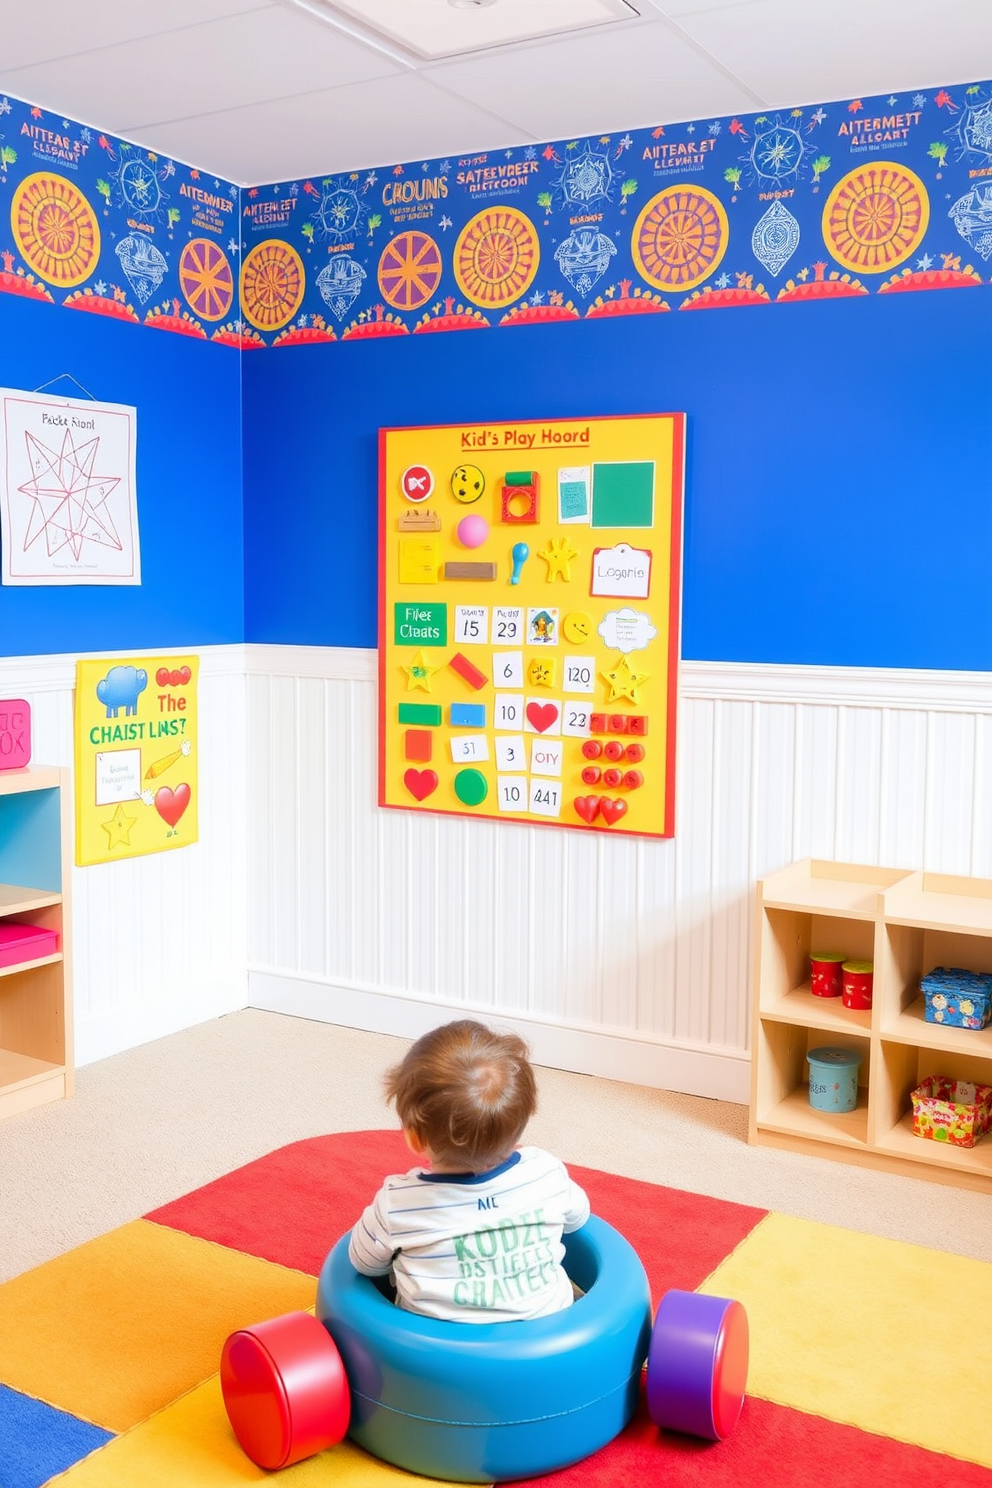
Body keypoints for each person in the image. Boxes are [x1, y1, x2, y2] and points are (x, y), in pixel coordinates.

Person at [348, 1019, 590, 1322]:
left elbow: (364, 1264)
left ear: (414, 1137)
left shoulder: (397, 1203)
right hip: (546, 1340)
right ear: (526, 1117)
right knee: (574, 1290)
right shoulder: (546, 1173)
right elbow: (578, 1218)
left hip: (432, 1354)